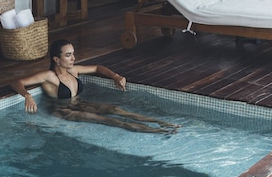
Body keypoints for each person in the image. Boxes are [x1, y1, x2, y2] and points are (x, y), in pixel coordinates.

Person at [10, 39, 178, 133]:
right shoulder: (49, 76)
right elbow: (16, 82)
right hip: (63, 111)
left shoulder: (73, 70)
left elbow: (97, 67)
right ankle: (160, 132)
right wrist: (27, 96)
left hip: (80, 104)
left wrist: (115, 76)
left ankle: (161, 123)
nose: (73, 58)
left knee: (116, 110)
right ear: (56, 59)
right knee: (110, 120)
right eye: (68, 55)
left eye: (73, 54)